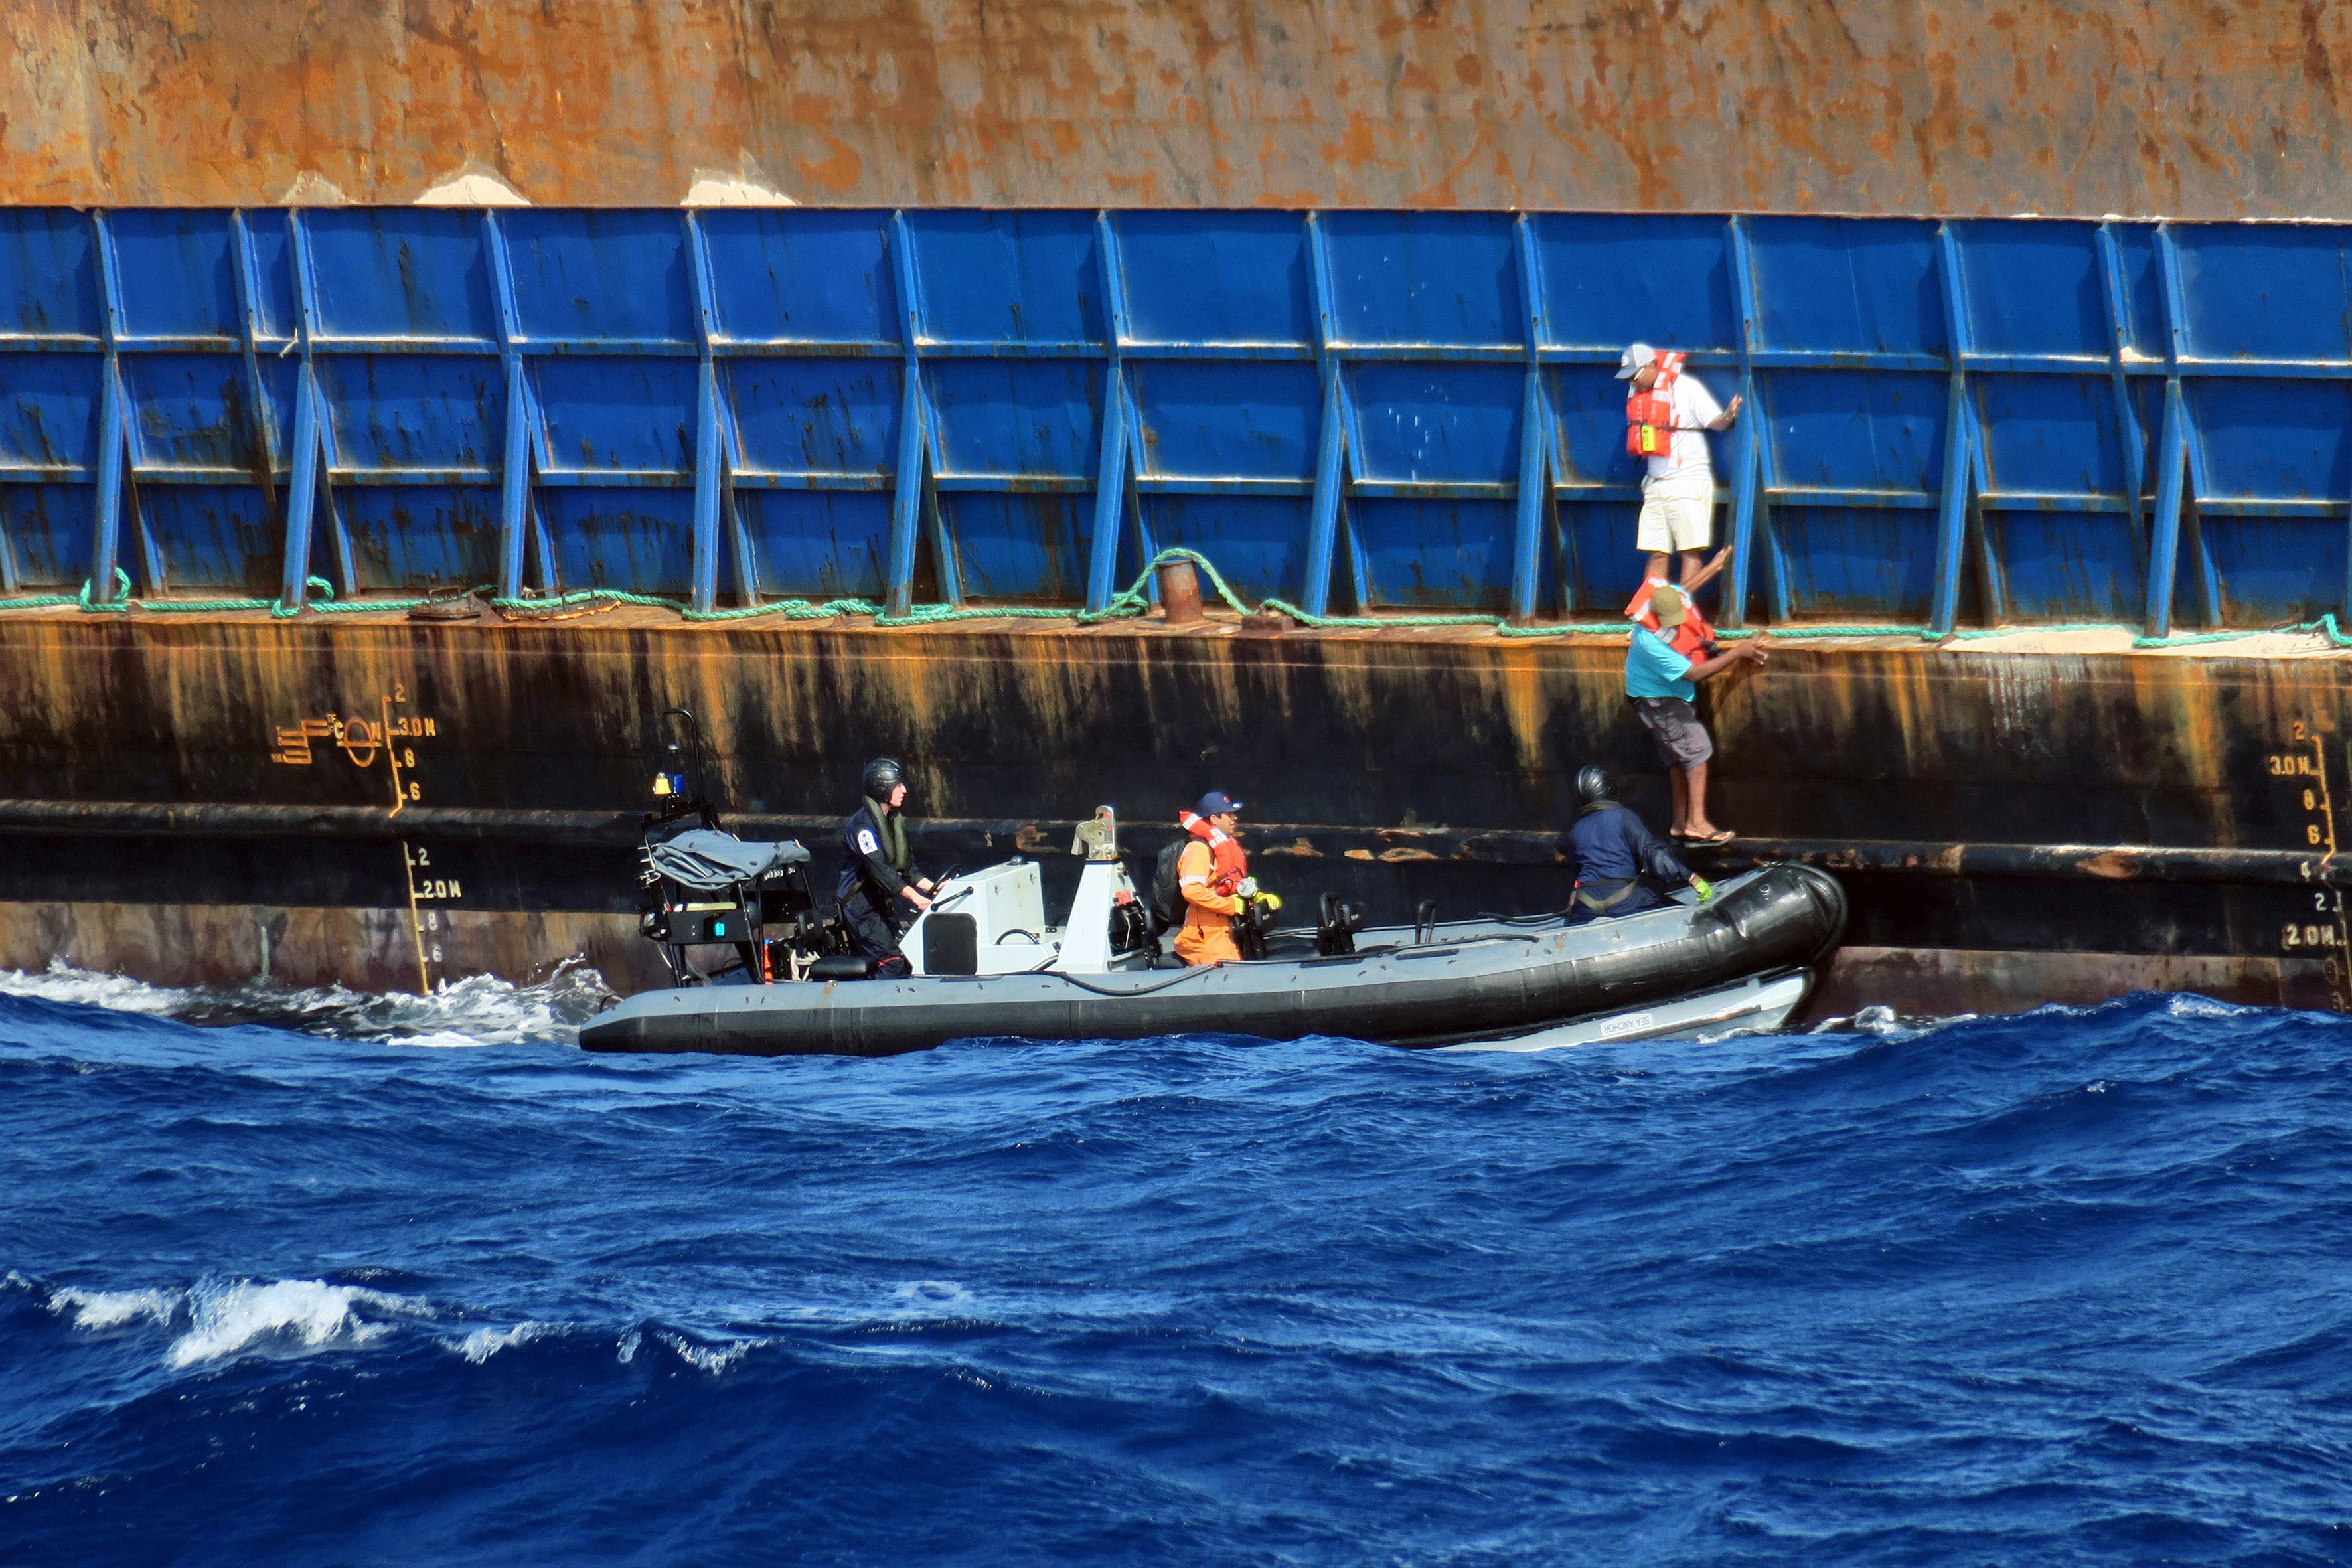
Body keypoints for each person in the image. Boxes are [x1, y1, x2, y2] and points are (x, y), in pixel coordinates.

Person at [1617, 342, 1743, 633]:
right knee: (1656, 552)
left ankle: (1684, 616)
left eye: (1635, 375)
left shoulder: (1687, 387)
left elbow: (1717, 424)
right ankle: (1650, 618)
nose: (1632, 382)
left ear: (1650, 367)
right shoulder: (1638, 392)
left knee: (1690, 551)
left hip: (1688, 480)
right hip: (1655, 483)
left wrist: (1729, 415)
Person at [1626, 586, 1766, 844]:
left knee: (1679, 759)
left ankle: (1679, 824)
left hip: (1664, 696)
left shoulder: (1678, 596)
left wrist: (1713, 566)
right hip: (1658, 701)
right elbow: (1694, 674)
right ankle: (1697, 823)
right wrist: (1737, 652)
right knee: (1698, 752)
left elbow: (1687, 585)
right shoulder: (1648, 641)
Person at [1561, 765, 1713, 922]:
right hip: (1624, 901)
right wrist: (1690, 877)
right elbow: (1652, 855)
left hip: (1586, 906)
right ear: (1608, 788)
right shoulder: (1625, 817)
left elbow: (1576, 869)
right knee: (1677, 911)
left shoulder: (1576, 830)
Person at [837, 757, 935, 975]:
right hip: (862, 909)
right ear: (882, 789)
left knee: (907, 955)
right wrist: (915, 898)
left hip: (880, 907)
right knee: (891, 961)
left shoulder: (891, 823)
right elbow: (880, 870)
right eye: (898, 785)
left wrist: (933, 887)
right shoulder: (862, 828)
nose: (904, 790)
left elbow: (907, 868)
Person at [1174, 790, 1253, 966]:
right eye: (1229, 814)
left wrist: (1256, 898)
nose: (1235, 818)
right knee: (1231, 973)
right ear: (1214, 819)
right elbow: (1191, 890)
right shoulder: (1199, 849)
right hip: (1205, 937)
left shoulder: (1223, 846)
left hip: (1225, 929)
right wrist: (1231, 906)